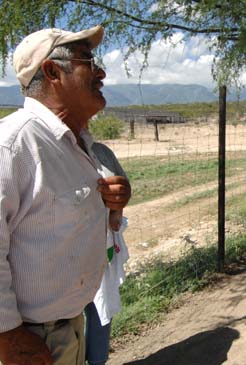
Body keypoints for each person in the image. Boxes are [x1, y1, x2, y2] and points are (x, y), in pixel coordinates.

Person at [0, 26, 131, 365]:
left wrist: (114, 202)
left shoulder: (77, 143)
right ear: (52, 72)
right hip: (29, 340)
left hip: (68, 328)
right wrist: (9, 337)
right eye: (88, 60)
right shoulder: (13, 146)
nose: (101, 72)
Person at [82, 127, 130, 365]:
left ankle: (97, 360)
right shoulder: (48, 151)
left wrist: (116, 213)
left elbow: (123, 186)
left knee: (100, 311)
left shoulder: (101, 152)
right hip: (64, 259)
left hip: (102, 248)